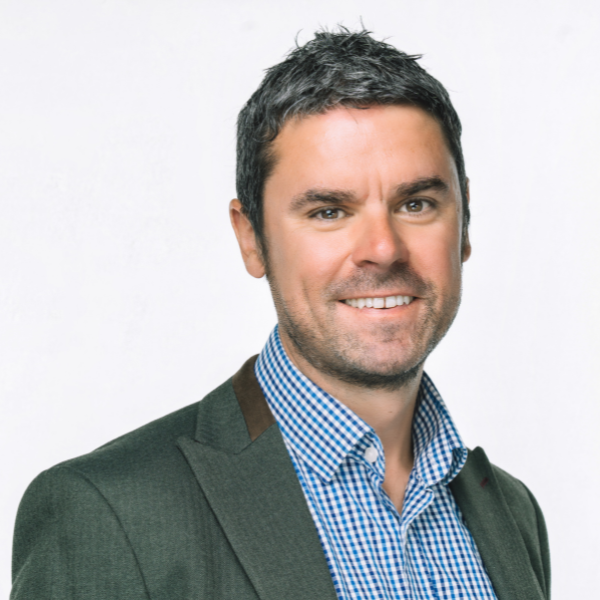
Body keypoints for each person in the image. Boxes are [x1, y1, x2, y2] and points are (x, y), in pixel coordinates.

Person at [10, 29, 550, 600]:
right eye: (329, 211)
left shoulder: (511, 512)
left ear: (464, 222)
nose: (384, 248)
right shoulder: (107, 513)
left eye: (416, 204)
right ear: (252, 239)